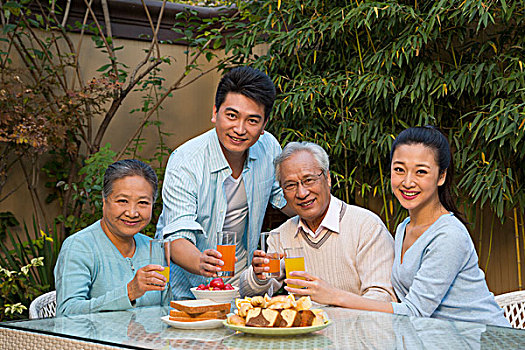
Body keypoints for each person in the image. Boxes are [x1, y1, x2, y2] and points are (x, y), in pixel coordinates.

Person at [286, 126, 509, 327]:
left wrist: (334, 296)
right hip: (441, 339)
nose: (408, 182)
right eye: (399, 170)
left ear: (441, 176)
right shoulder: (404, 228)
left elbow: (414, 311)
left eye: (421, 171)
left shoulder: (448, 236)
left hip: (483, 338)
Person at [155, 66, 293, 299]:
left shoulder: (269, 147)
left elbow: (285, 200)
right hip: (188, 287)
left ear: (264, 125)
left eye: (252, 120)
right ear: (215, 113)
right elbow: (175, 236)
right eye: (232, 115)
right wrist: (200, 261)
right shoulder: (186, 161)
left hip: (241, 285)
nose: (239, 129)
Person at [240, 142, 397, 303]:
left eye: (308, 180)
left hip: (356, 327)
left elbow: (383, 298)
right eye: (290, 185)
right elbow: (250, 294)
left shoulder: (366, 226)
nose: (302, 193)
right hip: (304, 327)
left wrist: (333, 298)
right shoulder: (281, 235)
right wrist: (258, 277)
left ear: (327, 178)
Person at [55, 159, 170, 316]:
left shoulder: (153, 248)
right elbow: (66, 313)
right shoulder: (79, 246)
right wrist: (129, 293)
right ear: (104, 201)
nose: (132, 212)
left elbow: (165, 309)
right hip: (95, 340)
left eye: (143, 202)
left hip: (150, 340)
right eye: (122, 201)